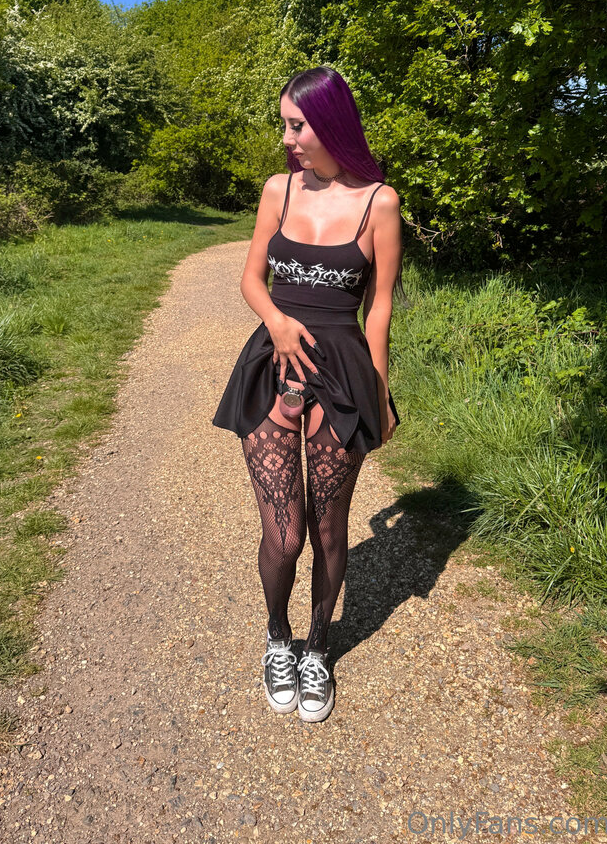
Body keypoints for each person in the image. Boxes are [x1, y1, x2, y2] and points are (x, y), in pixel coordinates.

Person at [212, 66, 403, 723]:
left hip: (343, 374)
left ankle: (318, 648)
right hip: (272, 365)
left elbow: (378, 309)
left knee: (327, 532)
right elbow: (251, 278)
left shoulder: (380, 202)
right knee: (285, 534)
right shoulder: (279, 190)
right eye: (285, 125)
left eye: (296, 125)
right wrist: (275, 320)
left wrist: (380, 392)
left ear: (330, 123)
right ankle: (278, 638)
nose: (287, 138)